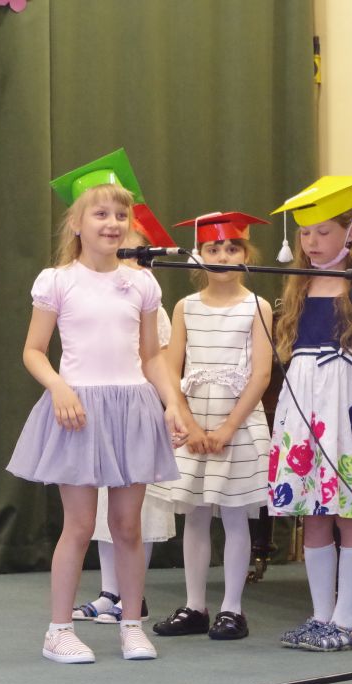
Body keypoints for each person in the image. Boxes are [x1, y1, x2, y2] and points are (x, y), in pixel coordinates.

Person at [7, 149, 189, 663]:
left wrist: (172, 404)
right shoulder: (57, 280)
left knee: (129, 526)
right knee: (81, 526)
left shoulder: (143, 283)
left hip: (132, 410)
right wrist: (59, 387)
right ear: (77, 223)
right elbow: (33, 350)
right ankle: (59, 631)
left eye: (120, 214)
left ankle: (131, 624)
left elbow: (151, 357)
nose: (113, 223)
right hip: (79, 411)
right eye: (101, 213)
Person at [268, 177, 352, 651]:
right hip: (304, 406)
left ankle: (346, 620)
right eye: (305, 233)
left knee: (348, 511)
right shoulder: (300, 284)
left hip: (346, 408)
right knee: (313, 513)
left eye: (323, 231)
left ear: (351, 232)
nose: (311, 242)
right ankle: (320, 615)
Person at [147, 212, 274, 641]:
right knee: (196, 515)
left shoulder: (257, 306)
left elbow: (261, 374)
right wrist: (189, 422)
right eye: (213, 248)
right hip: (194, 421)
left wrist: (227, 428)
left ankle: (232, 609)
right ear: (198, 256)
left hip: (236, 422)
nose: (222, 256)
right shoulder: (186, 307)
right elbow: (171, 367)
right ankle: (195, 605)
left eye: (232, 248)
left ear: (245, 254)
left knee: (235, 516)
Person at [73, 203, 176, 624]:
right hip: (102, 414)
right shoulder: (85, 292)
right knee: (101, 511)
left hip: (137, 416)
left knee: (136, 515)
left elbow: (159, 360)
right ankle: (108, 591)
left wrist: (169, 408)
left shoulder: (149, 302)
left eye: (134, 253)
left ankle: (134, 598)